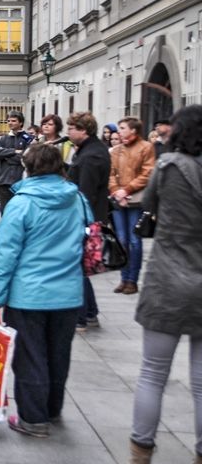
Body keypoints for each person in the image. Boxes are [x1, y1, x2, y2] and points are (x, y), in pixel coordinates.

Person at [0, 143, 87, 438]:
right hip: (68, 291)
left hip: (29, 293)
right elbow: (88, 233)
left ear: (27, 168)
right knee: (58, 354)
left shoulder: (21, 203)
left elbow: (5, 254)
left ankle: (33, 417)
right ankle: (52, 409)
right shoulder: (76, 198)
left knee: (31, 355)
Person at [128, 105, 202, 464]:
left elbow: (150, 204)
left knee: (153, 372)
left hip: (169, 275)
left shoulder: (169, 165)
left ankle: (141, 450)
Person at [66, 111, 110, 332]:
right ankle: (90, 313)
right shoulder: (89, 149)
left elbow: (85, 193)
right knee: (80, 268)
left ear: (83, 130)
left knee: (76, 268)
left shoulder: (92, 155)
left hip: (86, 218)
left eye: (71, 128)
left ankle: (81, 317)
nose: (68, 132)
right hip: (89, 216)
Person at [110, 117, 156, 295]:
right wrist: (116, 191)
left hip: (135, 199)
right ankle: (123, 277)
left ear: (133, 130)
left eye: (122, 128)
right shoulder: (116, 150)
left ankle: (132, 280)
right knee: (121, 240)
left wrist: (127, 190)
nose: (119, 131)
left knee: (135, 241)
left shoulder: (146, 147)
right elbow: (110, 173)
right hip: (118, 199)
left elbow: (147, 173)